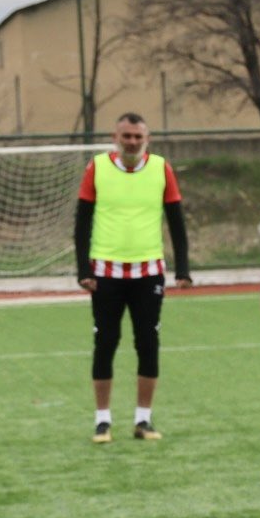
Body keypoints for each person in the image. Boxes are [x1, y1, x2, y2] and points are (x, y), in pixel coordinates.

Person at [73, 113, 192, 442]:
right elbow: (82, 223)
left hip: (148, 273)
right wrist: (83, 269)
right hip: (105, 274)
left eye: (138, 137)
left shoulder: (161, 169)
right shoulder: (97, 168)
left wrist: (183, 268)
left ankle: (143, 419)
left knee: (148, 343)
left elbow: (177, 223)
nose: (132, 142)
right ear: (116, 136)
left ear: (147, 139)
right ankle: (102, 420)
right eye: (126, 136)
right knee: (106, 342)